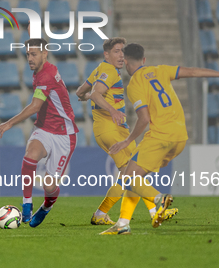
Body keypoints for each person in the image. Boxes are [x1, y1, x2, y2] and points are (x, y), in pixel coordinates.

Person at [101, 43, 219, 235]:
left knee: (128, 177)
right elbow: (193, 72)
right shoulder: (161, 70)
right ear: (144, 60)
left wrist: (127, 141)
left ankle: (159, 199)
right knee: (134, 177)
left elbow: (144, 118)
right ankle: (123, 224)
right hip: (180, 138)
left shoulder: (135, 84)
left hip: (160, 137)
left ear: (125, 61)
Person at [75, 37, 177, 227]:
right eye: (116, 51)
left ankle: (101, 213)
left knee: (127, 177)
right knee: (132, 175)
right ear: (107, 54)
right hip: (111, 130)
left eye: (122, 51)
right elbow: (97, 94)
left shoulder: (99, 69)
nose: (121, 55)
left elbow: (80, 92)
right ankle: (157, 204)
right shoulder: (109, 71)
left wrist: (87, 96)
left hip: (111, 131)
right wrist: (112, 110)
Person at [0, 38, 78, 228]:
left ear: (45, 53)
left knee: (49, 186)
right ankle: (26, 203)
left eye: (34, 54)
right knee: (30, 156)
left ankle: (47, 206)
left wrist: (8, 123)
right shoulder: (40, 71)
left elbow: (35, 106)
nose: (30, 58)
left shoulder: (46, 75)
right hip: (43, 128)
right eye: (27, 54)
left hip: (64, 134)